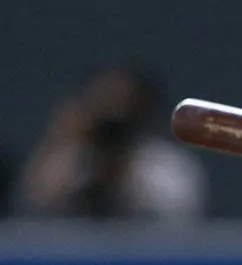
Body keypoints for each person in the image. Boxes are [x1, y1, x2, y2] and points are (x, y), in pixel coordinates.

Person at [15, 63, 206, 221]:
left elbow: (179, 223)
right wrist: (59, 138)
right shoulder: (69, 161)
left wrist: (123, 173)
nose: (114, 117)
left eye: (124, 107)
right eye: (104, 106)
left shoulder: (167, 168)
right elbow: (31, 204)